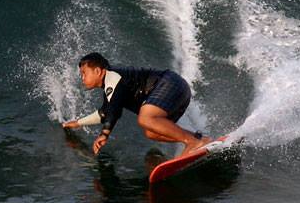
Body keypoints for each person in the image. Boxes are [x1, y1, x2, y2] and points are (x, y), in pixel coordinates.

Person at [61, 52, 210, 157]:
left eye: (84, 73)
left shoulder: (113, 77)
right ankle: (199, 139)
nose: (82, 78)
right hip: (177, 90)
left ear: (98, 71)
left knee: (145, 118)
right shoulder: (110, 88)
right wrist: (77, 123)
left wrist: (104, 134)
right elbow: (105, 113)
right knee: (151, 132)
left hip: (170, 84)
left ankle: (191, 142)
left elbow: (114, 111)